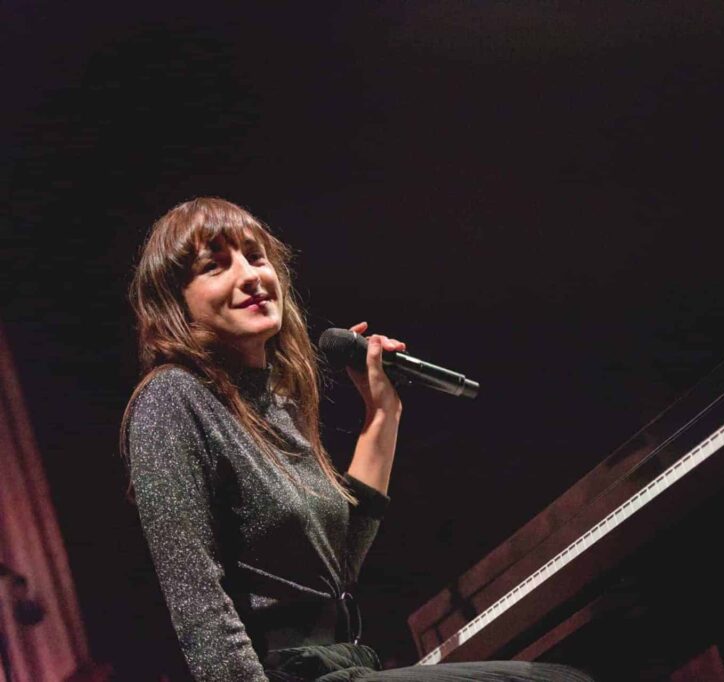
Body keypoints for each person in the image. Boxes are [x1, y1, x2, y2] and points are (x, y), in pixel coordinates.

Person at [121, 198, 593, 682]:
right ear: (176, 303)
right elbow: (197, 602)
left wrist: (382, 413)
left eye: (256, 256)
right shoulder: (170, 399)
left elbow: (337, 567)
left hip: (342, 661)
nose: (250, 276)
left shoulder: (274, 405)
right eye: (214, 266)